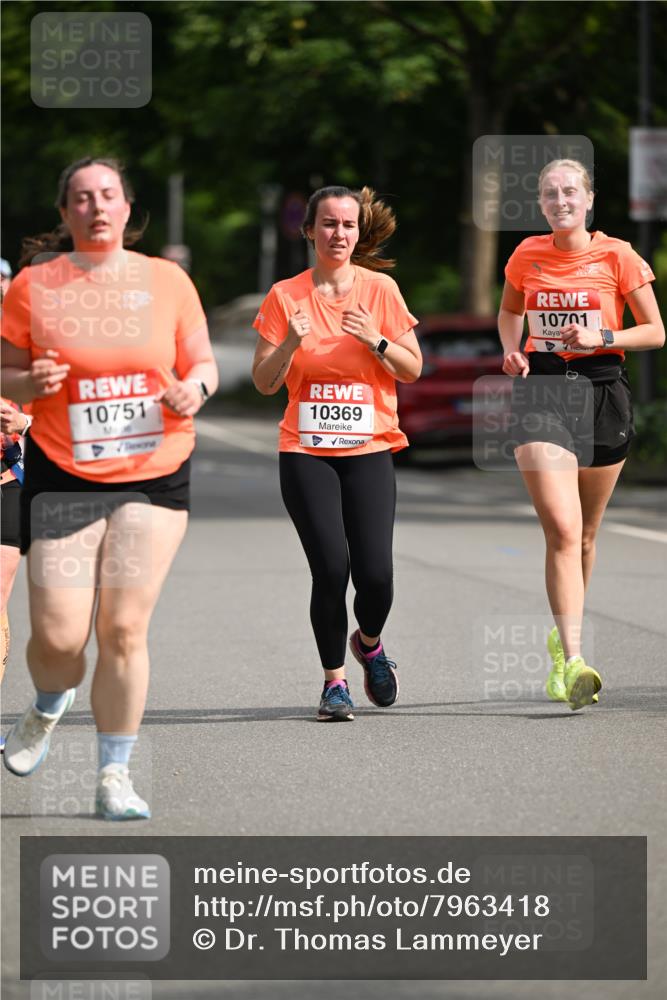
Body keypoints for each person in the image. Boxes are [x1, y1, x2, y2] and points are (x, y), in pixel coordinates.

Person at [1, 156, 218, 817]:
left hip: (153, 473)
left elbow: (203, 363)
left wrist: (194, 389)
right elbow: (4, 371)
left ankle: (113, 777)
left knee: (123, 627)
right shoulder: (35, 286)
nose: (96, 206)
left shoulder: (166, 280)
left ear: (127, 208)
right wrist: (26, 383)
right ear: (64, 213)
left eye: (107, 195)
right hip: (64, 475)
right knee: (59, 640)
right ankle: (48, 702)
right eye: (81, 197)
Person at [498, 158, 664, 710]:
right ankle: (574, 660)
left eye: (570, 191)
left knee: (587, 535)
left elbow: (656, 331)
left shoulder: (618, 255)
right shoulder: (526, 254)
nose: (561, 200)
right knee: (564, 531)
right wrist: (511, 349)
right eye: (550, 193)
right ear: (540, 203)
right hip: (542, 393)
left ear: (589, 199)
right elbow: (509, 311)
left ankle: (561, 637)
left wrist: (603, 335)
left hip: (603, 392)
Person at [252, 185, 421, 721]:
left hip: (369, 446)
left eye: (348, 224)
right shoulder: (285, 296)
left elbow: (413, 369)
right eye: (328, 223)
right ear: (310, 231)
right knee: (330, 568)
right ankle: (334, 685)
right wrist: (289, 343)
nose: (339, 233)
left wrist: (375, 338)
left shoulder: (380, 291)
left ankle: (369, 644)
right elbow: (264, 382)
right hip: (305, 450)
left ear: (358, 231)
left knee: (376, 575)